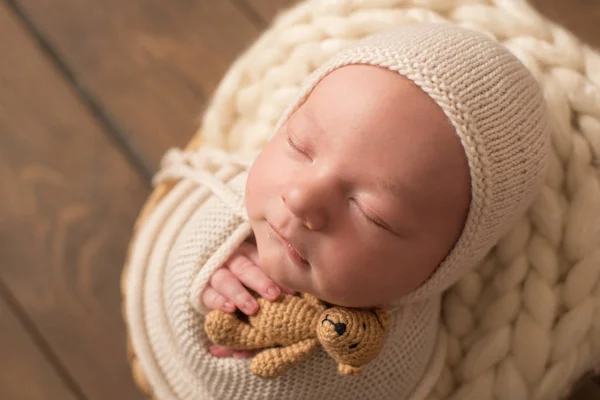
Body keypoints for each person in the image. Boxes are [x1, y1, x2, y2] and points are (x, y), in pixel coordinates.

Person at [127, 22, 550, 400]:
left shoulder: (391, 359)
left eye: (372, 213)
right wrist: (213, 263)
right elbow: (191, 236)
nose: (302, 198)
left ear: (445, 264)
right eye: (299, 146)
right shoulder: (229, 205)